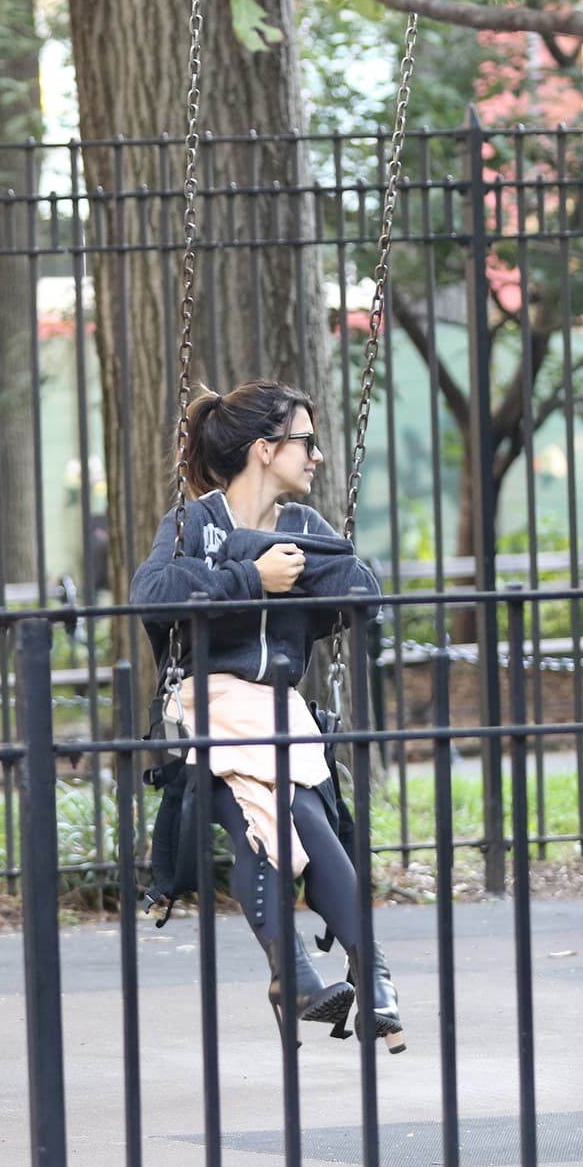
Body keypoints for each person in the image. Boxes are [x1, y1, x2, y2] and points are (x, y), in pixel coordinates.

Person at [131, 379, 405, 1051]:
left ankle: (314, 975)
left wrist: (292, 570)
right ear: (264, 448)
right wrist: (252, 577)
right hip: (209, 703)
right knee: (285, 817)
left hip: (279, 709)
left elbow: (361, 590)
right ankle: (357, 972)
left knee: (287, 820)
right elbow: (154, 594)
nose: (317, 455)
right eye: (305, 441)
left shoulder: (304, 527)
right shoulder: (196, 522)